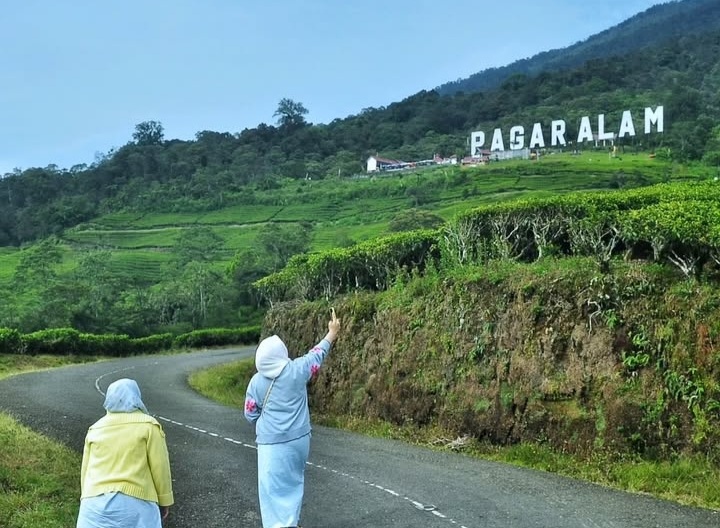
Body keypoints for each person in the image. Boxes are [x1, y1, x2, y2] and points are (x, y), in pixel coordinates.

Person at [244, 307, 341, 528]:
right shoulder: (297, 370)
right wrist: (332, 332)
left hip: (272, 444)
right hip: (300, 441)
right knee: (293, 483)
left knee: (271, 488)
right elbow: (317, 353)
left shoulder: (257, 382)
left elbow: (250, 414)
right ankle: (290, 522)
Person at [76, 378, 174, 528]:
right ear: (137, 397)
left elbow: (85, 471)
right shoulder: (149, 426)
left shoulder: (95, 429)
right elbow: (160, 468)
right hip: (136, 505)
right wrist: (164, 500)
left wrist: (85, 498)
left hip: (93, 505)